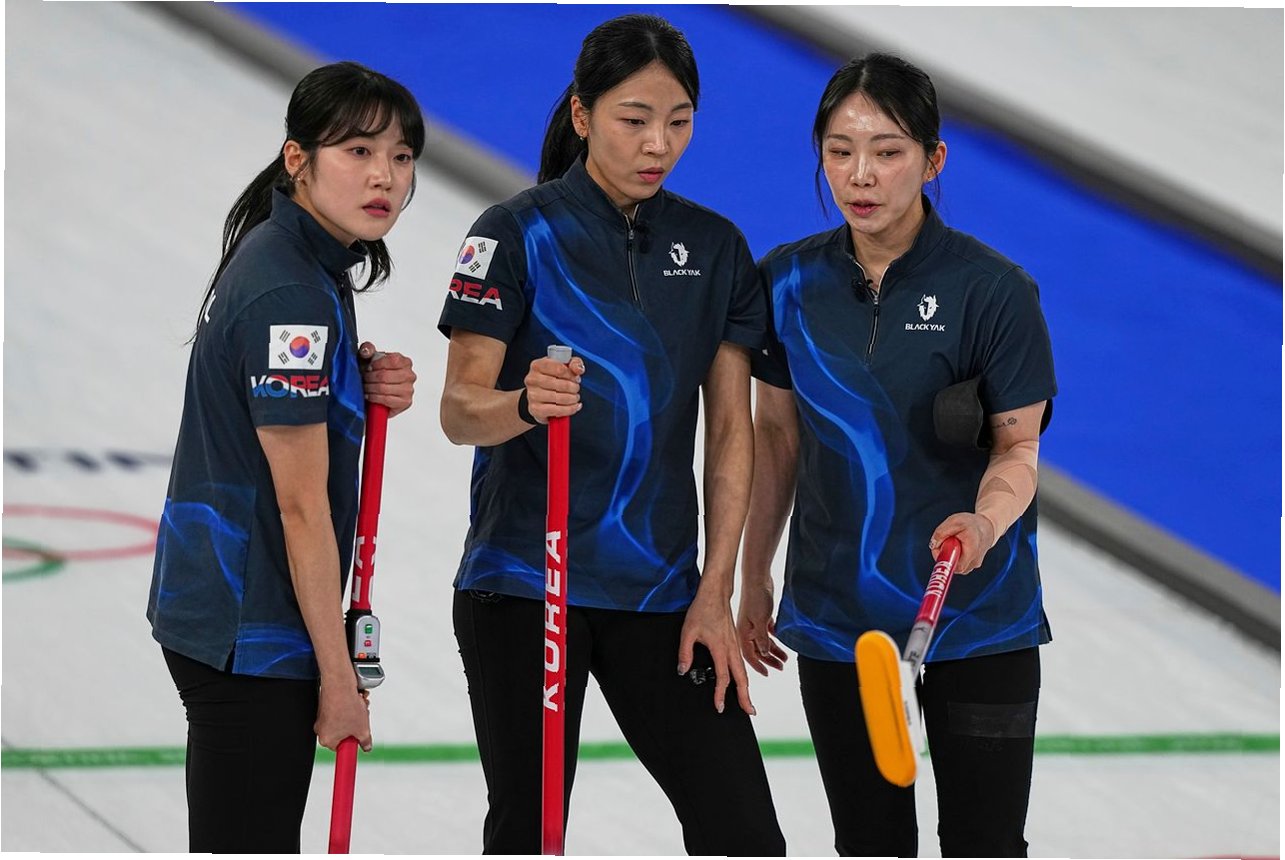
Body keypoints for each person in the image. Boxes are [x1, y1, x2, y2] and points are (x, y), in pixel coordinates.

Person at [438, 13, 785, 856]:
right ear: (582, 114)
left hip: (661, 594)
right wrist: (525, 403)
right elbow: (459, 409)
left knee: (743, 834)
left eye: (678, 121)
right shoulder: (513, 233)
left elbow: (729, 433)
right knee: (529, 835)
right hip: (527, 581)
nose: (657, 144)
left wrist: (715, 589)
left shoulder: (715, 248)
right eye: (633, 119)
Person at [738, 53, 1056, 857]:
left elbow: (1017, 446)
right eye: (839, 151)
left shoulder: (993, 291)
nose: (861, 175)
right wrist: (752, 574)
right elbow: (775, 436)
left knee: (986, 847)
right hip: (840, 617)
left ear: (932, 159)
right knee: (869, 845)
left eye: (887, 152)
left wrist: (983, 524)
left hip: (977, 616)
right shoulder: (785, 283)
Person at [146, 61, 423, 852]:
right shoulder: (291, 295)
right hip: (252, 631)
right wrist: (338, 678)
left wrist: (352, 383)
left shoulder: (304, 264)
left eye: (401, 156)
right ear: (297, 159)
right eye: (358, 151)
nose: (384, 177)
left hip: (236, 612)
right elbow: (300, 506)